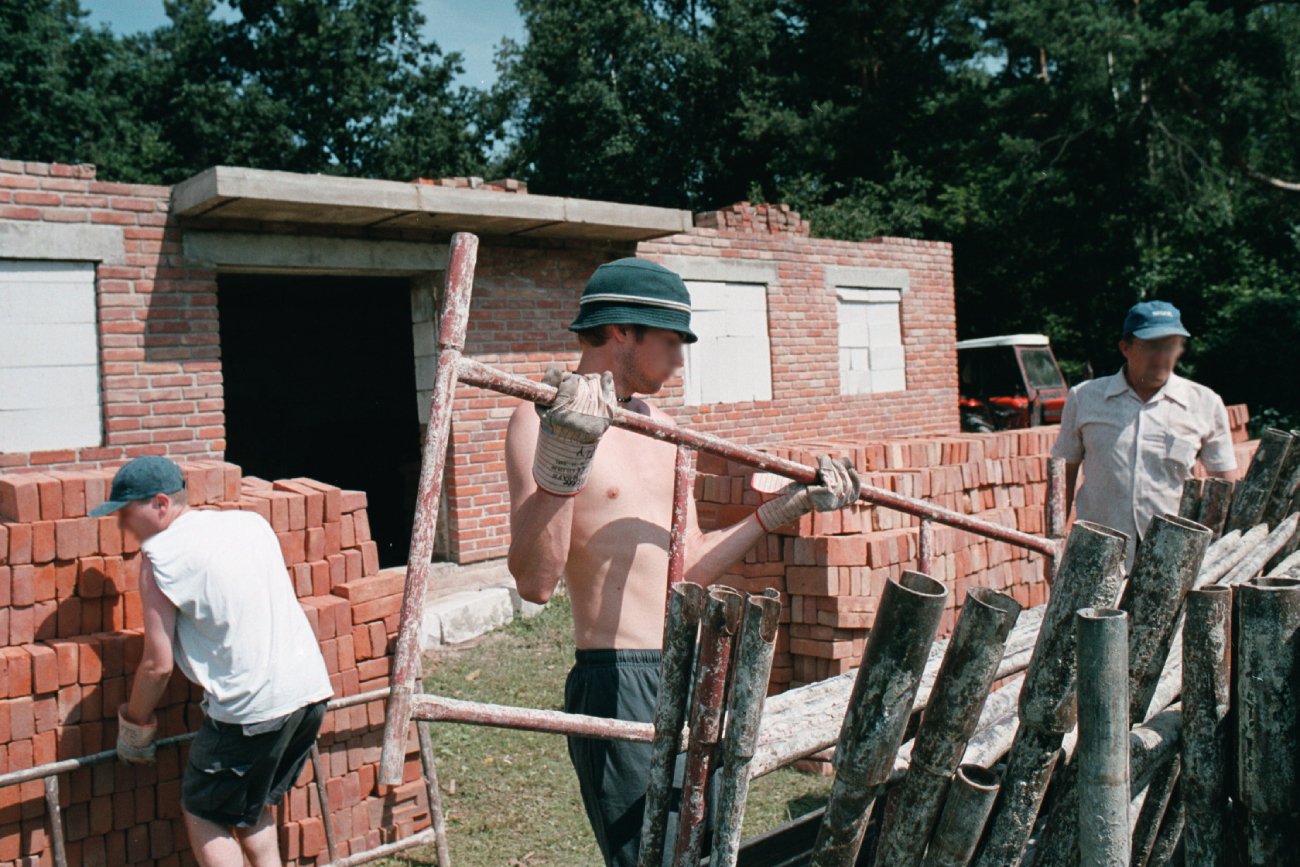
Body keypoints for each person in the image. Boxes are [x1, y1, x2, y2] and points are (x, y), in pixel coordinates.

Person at [504, 257, 862, 866]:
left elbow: (686, 570)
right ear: (621, 330)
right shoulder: (540, 416)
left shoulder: (665, 429)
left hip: (690, 662)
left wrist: (782, 509)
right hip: (618, 679)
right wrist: (568, 454)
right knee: (654, 858)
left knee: (706, 849)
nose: (678, 359)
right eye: (670, 342)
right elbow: (535, 582)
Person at [99, 456, 333, 867]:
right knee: (250, 807)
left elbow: (157, 665)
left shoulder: (159, 557)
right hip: (309, 693)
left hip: (251, 710)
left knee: (204, 812)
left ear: (160, 504)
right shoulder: (249, 524)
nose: (122, 524)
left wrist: (134, 726)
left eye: (126, 512)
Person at [1051, 300, 1238, 563]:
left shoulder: (1204, 403)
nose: (1161, 356)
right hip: (1098, 550)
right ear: (1125, 347)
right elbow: (1063, 475)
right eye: (1151, 346)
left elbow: (1225, 484)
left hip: (1173, 554)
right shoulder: (1085, 398)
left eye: (1170, 346)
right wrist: (1054, 542)